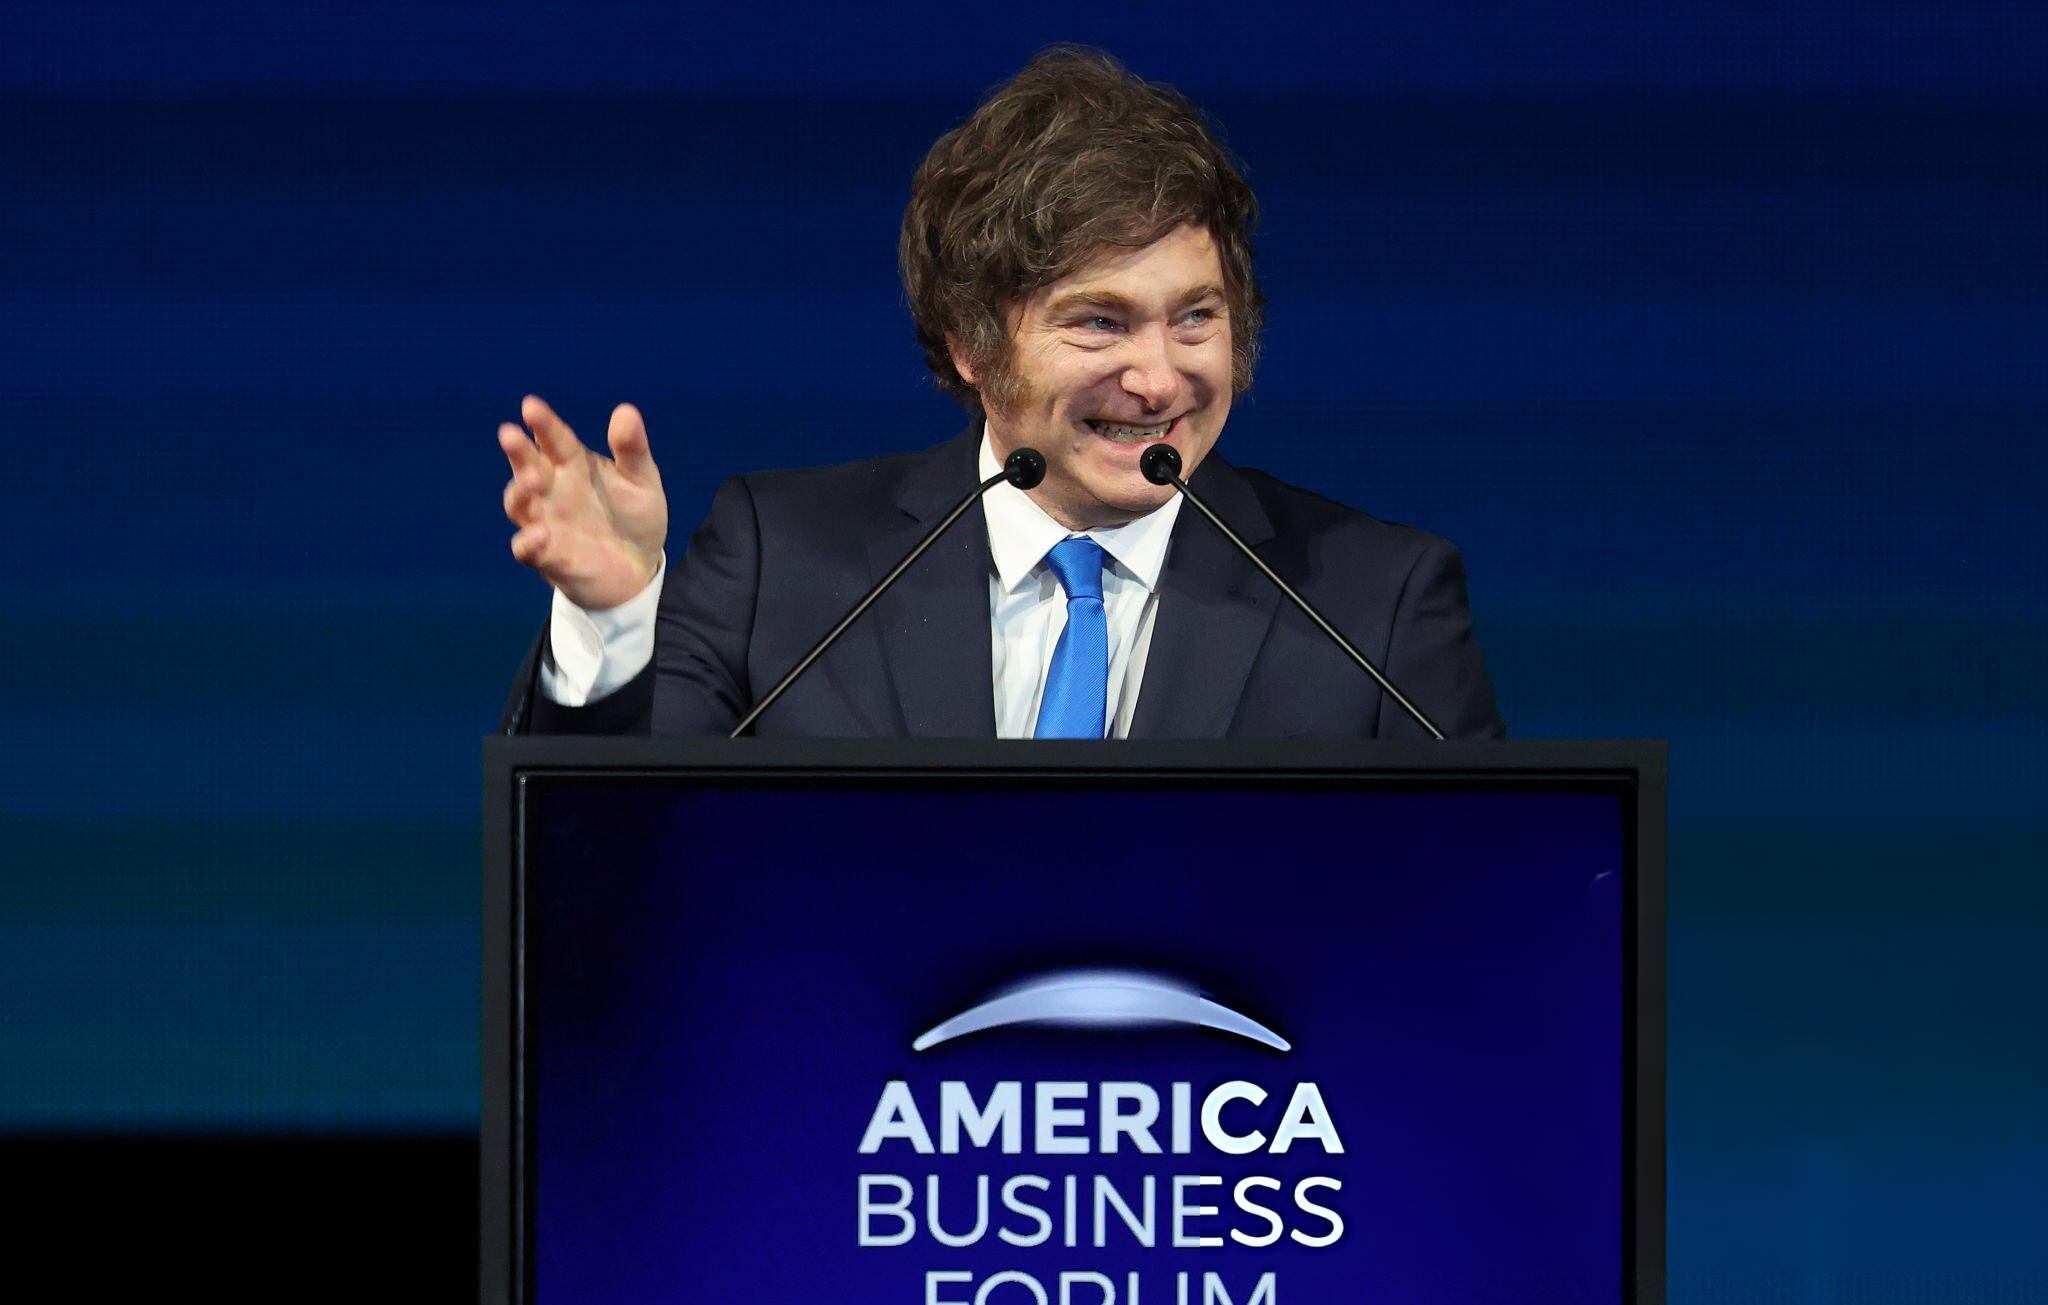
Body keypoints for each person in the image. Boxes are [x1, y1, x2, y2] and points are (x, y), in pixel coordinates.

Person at [496, 47, 1503, 740]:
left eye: (1194, 317)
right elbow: (617, 857)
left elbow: (1484, 916)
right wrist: (619, 616)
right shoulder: (782, 564)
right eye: (1098, 322)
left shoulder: (1369, 607)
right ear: (968, 342)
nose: (1159, 378)